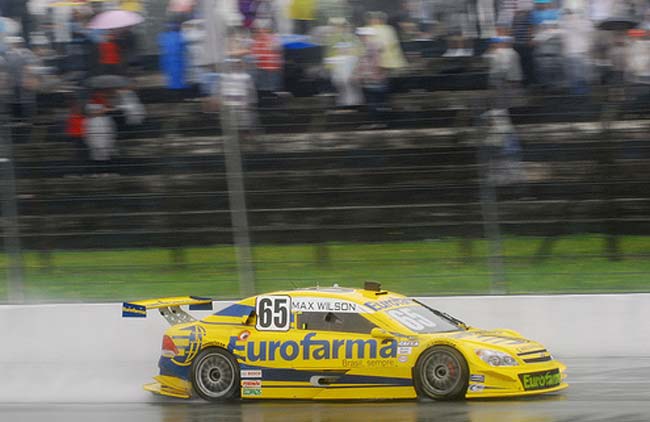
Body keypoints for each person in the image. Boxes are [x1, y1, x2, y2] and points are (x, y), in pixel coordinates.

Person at [355, 26, 388, 129]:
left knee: (373, 102)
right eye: (360, 36)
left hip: (373, 79)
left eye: (362, 36)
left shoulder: (372, 47)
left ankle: (377, 122)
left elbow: (376, 63)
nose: (361, 38)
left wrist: (370, 75)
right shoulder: (369, 46)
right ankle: (377, 122)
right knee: (373, 102)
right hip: (370, 79)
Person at [250, 18, 283, 97]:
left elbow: (255, 53)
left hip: (263, 66)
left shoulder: (259, 39)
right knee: (268, 83)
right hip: (270, 67)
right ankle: (267, 92)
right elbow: (278, 50)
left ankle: (264, 92)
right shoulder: (274, 38)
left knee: (264, 83)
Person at [158, 21, 188, 100]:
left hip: (168, 58)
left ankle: (173, 94)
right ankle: (179, 94)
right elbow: (184, 48)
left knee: (171, 76)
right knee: (178, 75)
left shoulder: (163, 36)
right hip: (178, 58)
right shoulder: (180, 36)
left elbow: (162, 48)